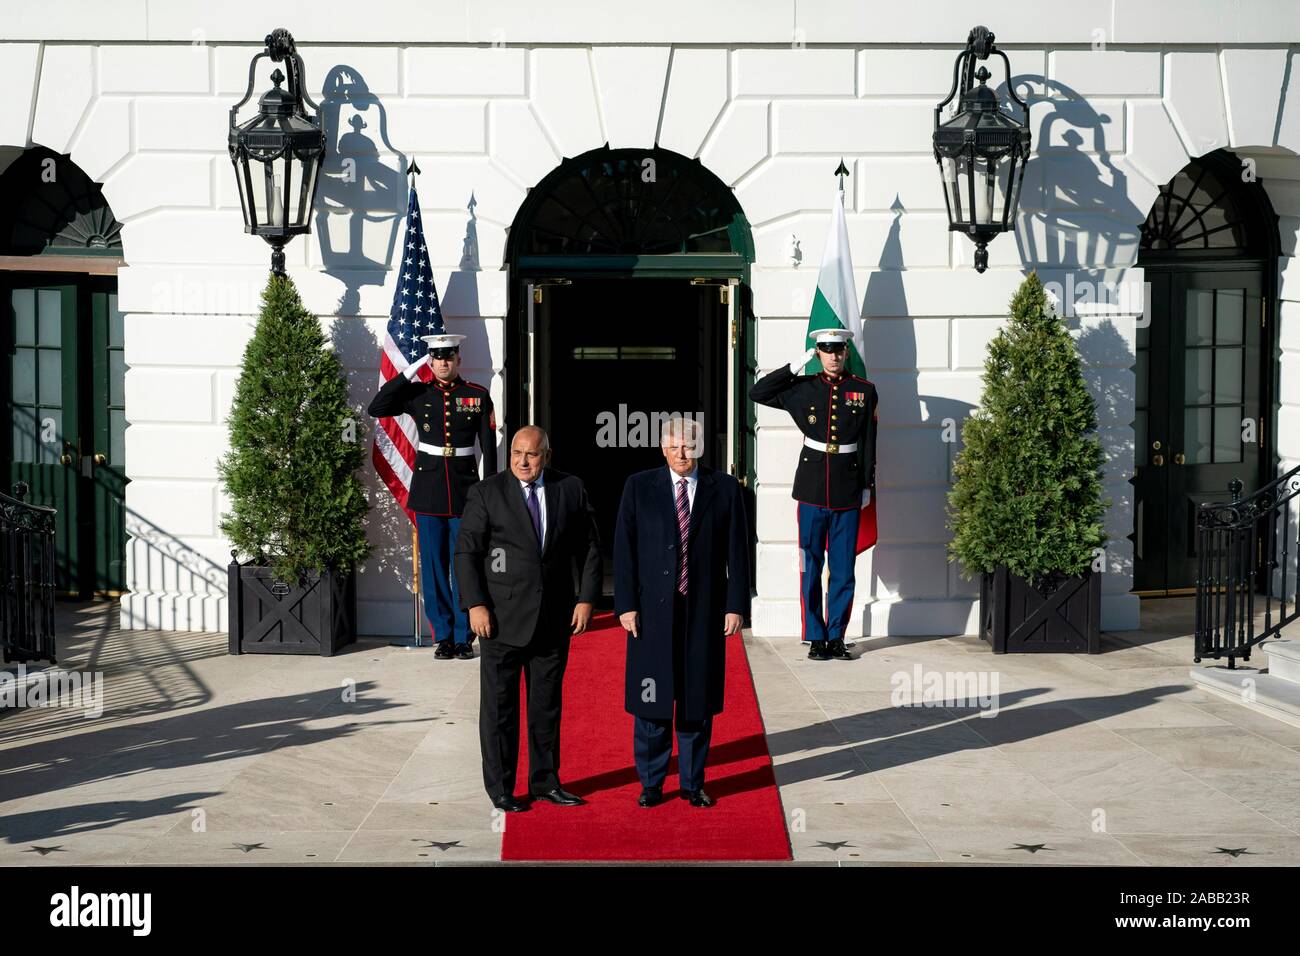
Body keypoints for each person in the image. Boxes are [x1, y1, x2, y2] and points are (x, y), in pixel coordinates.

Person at [454, 425, 602, 813]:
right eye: (517, 453)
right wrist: (475, 604)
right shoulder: (487, 492)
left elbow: (589, 547)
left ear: (546, 456)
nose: (522, 461)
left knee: (545, 707)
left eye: (531, 454)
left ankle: (545, 782)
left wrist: (586, 599)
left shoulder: (570, 489)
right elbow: (467, 553)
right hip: (500, 621)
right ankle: (501, 788)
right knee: (500, 710)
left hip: (553, 621)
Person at [613, 416, 750, 808]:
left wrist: (735, 605)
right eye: (674, 446)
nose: (682, 453)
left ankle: (692, 784)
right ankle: (652, 783)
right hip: (652, 615)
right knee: (652, 703)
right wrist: (625, 606)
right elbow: (624, 551)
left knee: (696, 702)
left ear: (700, 447)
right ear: (662, 448)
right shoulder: (639, 487)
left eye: (689, 446)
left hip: (703, 611)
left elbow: (737, 552)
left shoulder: (723, 488)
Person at [749, 328, 878, 662]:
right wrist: (795, 364)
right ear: (818, 352)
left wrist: (867, 485)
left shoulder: (863, 391)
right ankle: (815, 636)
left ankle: (836, 636)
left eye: (838, 350)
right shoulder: (803, 387)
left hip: (848, 490)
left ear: (847, 352)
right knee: (810, 565)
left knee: (843, 569)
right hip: (810, 489)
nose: (833, 355)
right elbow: (758, 392)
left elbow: (868, 441)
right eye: (825, 349)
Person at [368, 332, 496, 658]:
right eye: (437, 357)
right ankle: (443, 636)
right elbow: (377, 406)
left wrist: (490, 494)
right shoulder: (418, 393)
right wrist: (410, 371)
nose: (443, 362)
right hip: (428, 492)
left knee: (465, 565)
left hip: (466, 490)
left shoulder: (477, 395)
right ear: (431, 360)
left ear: (458, 359)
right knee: (434, 567)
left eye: (448, 356)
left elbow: (489, 450)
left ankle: (464, 635)